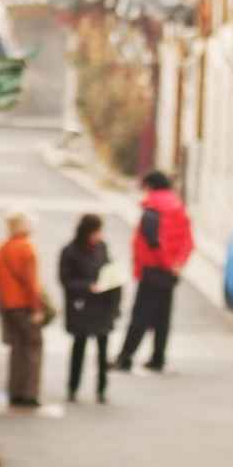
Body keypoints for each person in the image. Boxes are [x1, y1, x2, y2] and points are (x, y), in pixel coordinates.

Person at [114, 171, 193, 373]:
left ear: (150, 186)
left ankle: (125, 357)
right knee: (162, 316)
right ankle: (158, 357)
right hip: (171, 271)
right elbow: (188, 241)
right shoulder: (179, 207)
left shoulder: (152, 209)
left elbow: (153, 243)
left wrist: (166, 264)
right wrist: (177, 265)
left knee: (140, 315)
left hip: (154, 269)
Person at [59, 214, 120, 404]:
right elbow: (66, 280)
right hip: (82, 307)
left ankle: (101, 389)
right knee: (79, 347)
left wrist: (113, 297)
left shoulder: (102, 248)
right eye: (96, 232)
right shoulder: (70, 251)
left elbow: (110, 271)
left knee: (103, 350)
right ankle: (73, 387)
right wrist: (87, 287)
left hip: (102, 306)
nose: (99, 235)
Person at [0, 211, 45, 407]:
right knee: (32, 348)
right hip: (24, 305)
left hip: (7, 305)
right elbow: (31, 283)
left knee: (16, 349)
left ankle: (14, 390)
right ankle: (29, 393)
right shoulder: (27, 248)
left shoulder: (2, 248)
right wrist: (37, 308)